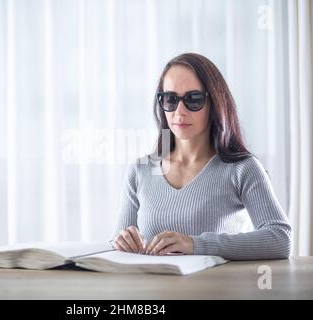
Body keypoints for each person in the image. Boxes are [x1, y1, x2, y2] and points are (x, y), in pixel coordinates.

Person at [111, 53, 292, 260]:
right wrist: (121, 242)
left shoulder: (242, 168)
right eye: (170, 99)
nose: (179, 111)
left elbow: (280, 238)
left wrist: (195, 244)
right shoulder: (140, 170)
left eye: (193, 99)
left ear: (214, 103)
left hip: (217, 291)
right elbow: (116, 245)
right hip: (154, 291)